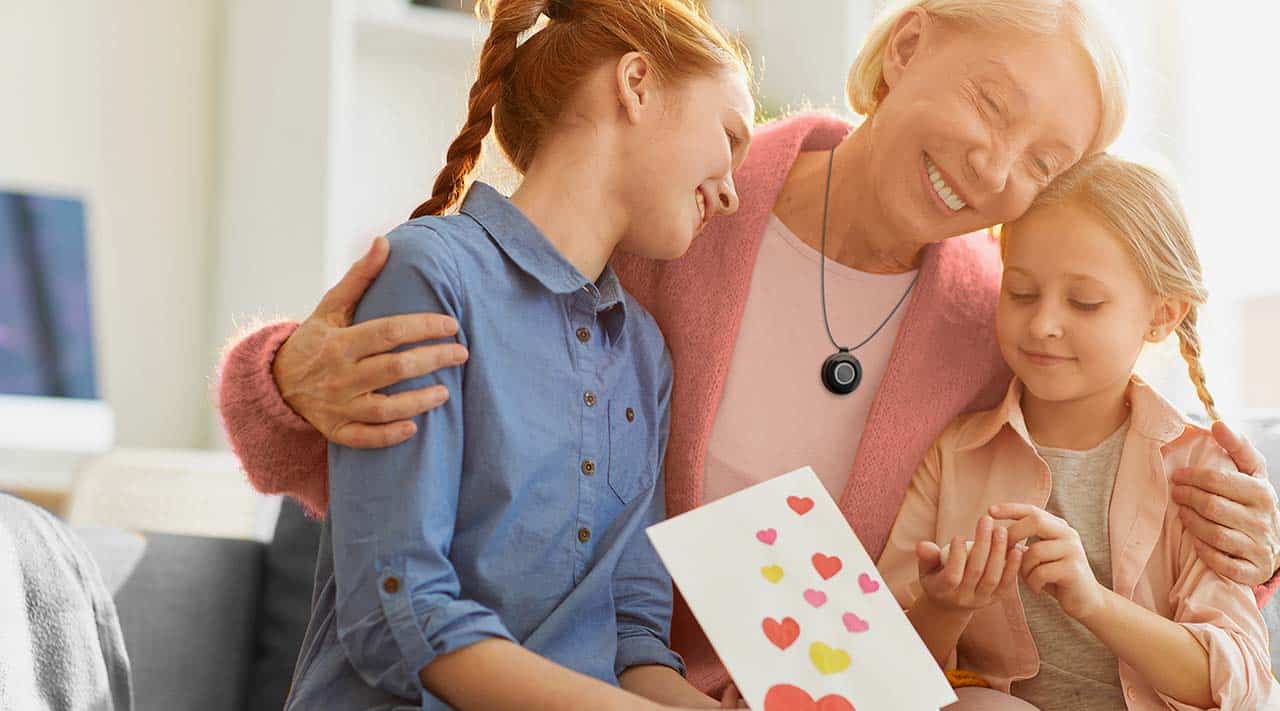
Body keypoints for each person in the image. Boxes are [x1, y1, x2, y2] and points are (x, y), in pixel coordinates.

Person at [216, 0, 1280, 702]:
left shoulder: (999, 323)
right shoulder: (675, 196)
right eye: (987, 102)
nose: (993, 163)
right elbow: (437, 350)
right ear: (905, 48)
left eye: (1042, 160)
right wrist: (286, 384)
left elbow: (1116, 453)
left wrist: (1247, 528)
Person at [280, 0, 755, 708]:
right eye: (730, 137)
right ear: (636, 83)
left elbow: (633, 634)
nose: (734, 192)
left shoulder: (644, 356)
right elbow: (396, 612)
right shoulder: (430, 275)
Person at [879, 155, 1278, 709]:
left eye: (1084, 302)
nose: (1042, 323)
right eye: (1020, 293)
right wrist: (945, 607)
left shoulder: (1201, 471)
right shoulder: (955, 456)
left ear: (1161, 315)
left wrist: (1093, 601)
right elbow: (878, 668)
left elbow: (1241, 686)